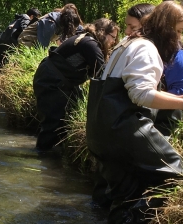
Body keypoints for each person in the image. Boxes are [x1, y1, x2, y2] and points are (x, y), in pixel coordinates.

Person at [86, 1, 183, 224]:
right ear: (166, 27)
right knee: (176, 176)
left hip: (99, 131)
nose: (180, 38)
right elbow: (140, 94)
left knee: (125, 194)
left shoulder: (127, 43)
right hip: (123, 129)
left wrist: (176, 96)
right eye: (179, 31)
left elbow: (128, 85)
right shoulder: (147, 48)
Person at [33, 18, 119, 152]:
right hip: (51, 82)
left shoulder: (87, 40)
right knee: (53, 123)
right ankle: (43, 160)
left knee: (61, 122)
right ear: (103, 33)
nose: (114, 41)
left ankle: (54, 156)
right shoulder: (90, 44)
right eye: (113, 37)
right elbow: (103, 73)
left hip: (53, 79)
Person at [124, 3, 183, 136]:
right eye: (178, 31)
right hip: (134, 121)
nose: (179, 37)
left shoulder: (180, 60)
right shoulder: (144, 49)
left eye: (180, 32)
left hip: (161, 127)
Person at [18, 3, 83, 48]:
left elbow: (81, 29)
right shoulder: (50, 24)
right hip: (26, 41)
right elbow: (42, 47)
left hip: (37, 43)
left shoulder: (62, 22)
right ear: (69, 24)